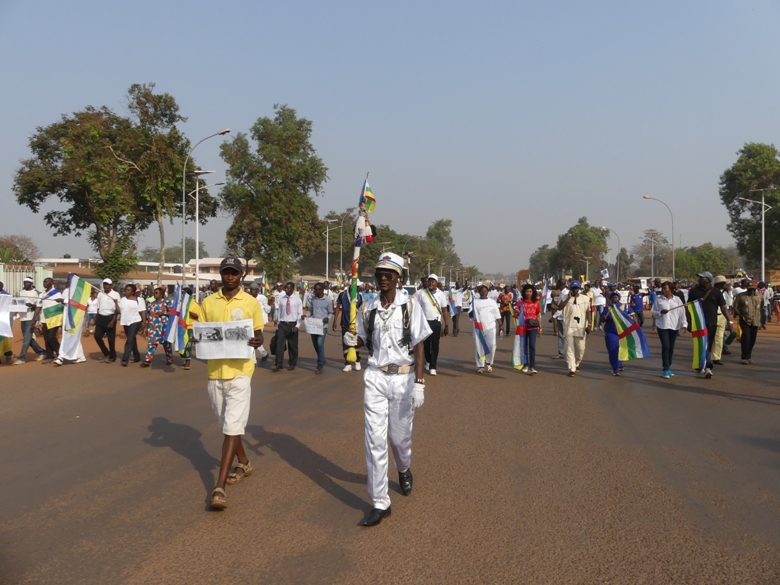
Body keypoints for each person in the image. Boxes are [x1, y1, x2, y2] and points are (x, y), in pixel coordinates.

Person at [348, 252, 431, 526]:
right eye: (379, 273)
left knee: (399, 439)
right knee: (374, 441)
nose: (383, 278)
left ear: (398, 278)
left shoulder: (411, 306)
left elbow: (419, 345)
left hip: (404, 378)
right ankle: (380, 502)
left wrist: (419, 382)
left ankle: (404, 468)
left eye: (389, 274)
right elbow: (362, 339)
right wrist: (353, 339)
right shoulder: (367, 307)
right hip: (375, 377)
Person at [198, 257, 265, 510]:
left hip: (241, 371)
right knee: (227, 424)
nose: (229, 276)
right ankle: (244, 462)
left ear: (241, 275)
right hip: (215, 372)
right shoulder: (207, 302)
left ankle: (219, 487)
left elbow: (257, 334)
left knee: (230, 427)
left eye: (233, 273)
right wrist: (198, 340)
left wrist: (257, 342)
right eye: (226, 272)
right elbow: (201, 330)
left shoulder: (251, 303)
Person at [686, 272, 733, 379]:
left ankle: (704, 365)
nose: (699, 280)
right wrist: (689, 322)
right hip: (698, 323)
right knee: (701, 344)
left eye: (702, 278)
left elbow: (724, 307)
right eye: (699, 278)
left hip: (712, 322)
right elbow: (688, 308)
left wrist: (729, 321)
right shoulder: (694, 292)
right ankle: (705, 366)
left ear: (708, 280)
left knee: (708, 345)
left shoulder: (716, 292)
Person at [652, 281, 686, 378]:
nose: (663, 290)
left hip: (674, 326)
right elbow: (653, 313)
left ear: (670, 289)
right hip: (662, 326)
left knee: (671, 348)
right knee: (666, 346)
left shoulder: (677, 300)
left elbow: (682, 313)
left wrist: (684, 324)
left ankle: (669, 366)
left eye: (665, 288)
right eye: (662, 288)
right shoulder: (658, 300)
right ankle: (665, 368)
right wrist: (660, 312)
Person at [416, 274, 449, 376]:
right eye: (429, 281)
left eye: (433, 281)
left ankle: (433, 366)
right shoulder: (422, 293)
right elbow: (417, 308)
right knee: (425, 345)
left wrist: (447, 325)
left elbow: (444, 310)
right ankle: (429, 360)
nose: (431, 283)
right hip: (424, 323)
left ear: (436, 283)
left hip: (436, 322)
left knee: (434, 345)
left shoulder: (441, 294)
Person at [558, 280, 591, 377]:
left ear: (579, 289)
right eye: (573, 288)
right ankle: (571, 368)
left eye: (576, 288)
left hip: (580, 328)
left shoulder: (585, 298)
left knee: (580, 349)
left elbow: (588, 312)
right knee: (569, 349)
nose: (575, 290)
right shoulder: (564, 297)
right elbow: (559, 307)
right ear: (570, 288)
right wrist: (568, 298)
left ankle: (576, 363)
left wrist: (589, 325)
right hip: (568, 327)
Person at [600, 292, 634, 376]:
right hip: (611, 333)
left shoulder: (625, 307)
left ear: (619, 298)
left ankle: (619, 363)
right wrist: (603, 318)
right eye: (613, 297)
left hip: (623, 333)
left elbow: (633, 317)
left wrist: (634, 328)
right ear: (611, 299)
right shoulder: (608, 309)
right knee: (613, 350)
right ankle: (615, 368)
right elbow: (602, 319)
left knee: (622, 349)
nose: (615, 298)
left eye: (616, 297)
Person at [31, 277, 64, 364]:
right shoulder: (42, 294)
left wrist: (62, 301)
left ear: (51, 283)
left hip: (54, 318)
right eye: (44, 282)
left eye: (46, 282)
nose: (44, 283)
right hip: (44, 319)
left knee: (51, 338)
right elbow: (38, 306)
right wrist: (34, 318)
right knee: (46, 339)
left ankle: (61, 354)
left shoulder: (57, 293)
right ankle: (50, 356)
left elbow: (63, 304)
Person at [14, 276, 46, 364]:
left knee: (26, 339)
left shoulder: (36, 293)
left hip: (31, 318)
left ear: (31, 283)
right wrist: (16, 311)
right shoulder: (21, 292)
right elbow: (19, 303)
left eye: (27, 282)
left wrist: (32, 307)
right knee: (28, 339)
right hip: (23, 318)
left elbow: (39, 307)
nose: (25, 284)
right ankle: (41, 352)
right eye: (24, 282)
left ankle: (21, 358)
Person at [333, 284, 364, 372]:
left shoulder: (359, 296)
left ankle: (357, 360)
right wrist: (335, 321)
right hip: (345, 323)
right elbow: (338, 307)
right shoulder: (342, 295)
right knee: (346, 343)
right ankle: (347, 363)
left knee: (355, 342)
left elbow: (362, 309)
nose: (357, 288)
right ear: (351, 286)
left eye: (358, 287)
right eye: (356, 287)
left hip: (356, 324)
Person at [53, 287, 87, 366]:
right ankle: (81, 356)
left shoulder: (80, 290)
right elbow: (64, 303)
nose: (68, 282)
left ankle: (61, 357)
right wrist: (61, 301)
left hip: (76, 317)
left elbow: (80, 304)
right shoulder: (66, 290)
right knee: (73, 337)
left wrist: (64, 300)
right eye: (68, 280)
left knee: (69, 336)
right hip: (66, 316)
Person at [303, 282, 333, 374]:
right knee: (315, 345)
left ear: (321, 290)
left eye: (317, 289)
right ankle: (322, 358)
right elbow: (311, 310)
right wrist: (306, 315)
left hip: (322, 326)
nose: (315, 291)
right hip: (314, 325)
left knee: (320, 344)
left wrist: (327, 318)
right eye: (314, 289)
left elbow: (331, 312)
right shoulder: (313, 299)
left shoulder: (327, 300)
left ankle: (319, 365)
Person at [472, 285, 502, 373]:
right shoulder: (475, 302)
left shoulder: (492, 302)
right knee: (479, 347)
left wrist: (500, 324)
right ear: (479, 292)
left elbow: (497, 314)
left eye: (485, 291)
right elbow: (471, 314)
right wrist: (471, 313)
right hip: (478, 328)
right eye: (482, 291)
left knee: (492, 345)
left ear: (487, 292)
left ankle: (489, 363)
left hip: (491, 327)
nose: (484, 292)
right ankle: (481, 366)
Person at [273, 281, 302, 372]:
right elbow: (279, 313)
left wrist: (297, 325)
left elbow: (299, 314)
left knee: (292, 346)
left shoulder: (297, 300)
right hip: (282, 324)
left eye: (288, 288)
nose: (286, 289)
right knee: (279, 345)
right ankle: (279, 364)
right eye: (285, 288)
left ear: (293, 289)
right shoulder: (282, 299)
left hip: (292, 324)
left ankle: (292, 363)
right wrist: (278, 326)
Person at [733, 280, 762, 364]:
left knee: (753, 339)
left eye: (753, 289)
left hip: (755, 320)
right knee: (746, 337)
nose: (751, 291)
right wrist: (740, 314)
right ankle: (744, 357)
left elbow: (761, 306)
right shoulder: (741, 296)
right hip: (744, 320)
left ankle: (749, 356)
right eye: (750, 289)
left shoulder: (759, 296)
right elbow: (736, 307)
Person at [142, 287, 172, 368]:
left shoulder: (167, 302)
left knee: (166, 344)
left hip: (164, 327)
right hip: (153, 328)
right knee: (151, 344)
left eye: (156, 293)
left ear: (161, 294)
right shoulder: (150, 304)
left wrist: (164, 313)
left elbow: (172, 313)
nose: (154, 294)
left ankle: (169, 358)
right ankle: (147, 360)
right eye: (154, 293)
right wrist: (147, 327)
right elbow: (148, 316)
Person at [515, 284, 542, 374]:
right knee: (524, 346)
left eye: (530, 291)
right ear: (524, 292)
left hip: (533, 327)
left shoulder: (536, 302)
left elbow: (538, 315)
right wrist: (516, 313)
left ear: (533, 292)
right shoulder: (520, 302)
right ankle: (525, 365)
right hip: (523, 327)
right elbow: (515, 313)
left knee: (532, 346)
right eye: (527, 291)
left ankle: (532, 366)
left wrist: (540, 328)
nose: (529, 293)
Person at [118, 284, 146, 366]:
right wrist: (116, 303)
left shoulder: (139, 300)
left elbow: (143, 311)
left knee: (129, 339)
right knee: (132, 339)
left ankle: (125, 358)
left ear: (133, 292)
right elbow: (119, 310)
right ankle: (137, 356)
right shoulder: (122, 299)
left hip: (135, 321)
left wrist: (143, 322)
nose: (126, 291)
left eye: (128, 290)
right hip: (125, 322)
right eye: (126, 289)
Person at [94, 278, 120, 363]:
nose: (106, 286)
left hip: (110, 317)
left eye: (108, 284)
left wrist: (113, 321)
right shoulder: (100, 294)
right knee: (97, 336)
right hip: (101, 317)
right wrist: (96, 319)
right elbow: (98, 307)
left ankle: (112, 356)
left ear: (111, 285)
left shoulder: (115, 294)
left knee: (111, 339)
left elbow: (117, 310)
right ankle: (106, 353)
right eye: (105, 284)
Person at [247, 283, 270, 364]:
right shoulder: (248, 298)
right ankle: (264, 354)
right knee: (251, 340)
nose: (253, 292)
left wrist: (269, 307)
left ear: (258, 290)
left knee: (255, 339)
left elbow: (267, 309)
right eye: (251, 290)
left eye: (254, 290)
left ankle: (254, 361)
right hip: (250, 321)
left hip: (259, 322)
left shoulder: (262, 298)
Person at [549, 279, 568, 359]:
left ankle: (563, 353)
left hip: (563, 317)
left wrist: (554, 317)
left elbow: (561, 307)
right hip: (562, 316)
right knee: (563, 336)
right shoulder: (563, 292)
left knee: (563, 336)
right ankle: (562, 352)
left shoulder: (565, 293)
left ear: (560, 284)